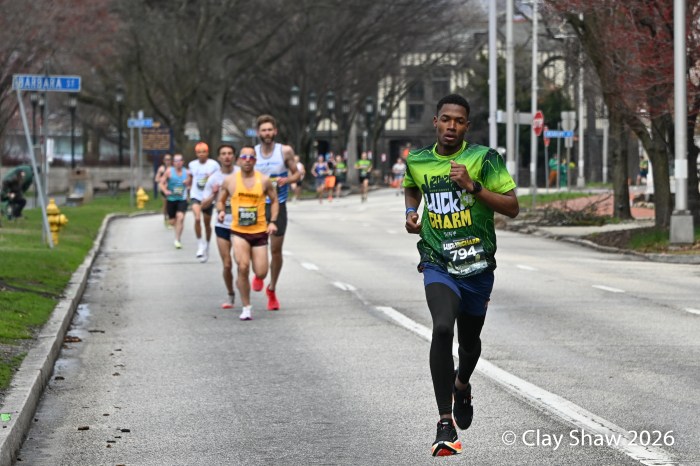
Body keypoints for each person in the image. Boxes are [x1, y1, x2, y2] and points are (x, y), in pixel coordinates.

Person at [403, 94, 519, 457]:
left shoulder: (485, 159)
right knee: (442, 327)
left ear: (467, 126)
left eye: (459, 121)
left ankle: (462, 384)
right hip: (437, 260)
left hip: (477, 266)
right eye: (446, 119)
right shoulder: (418, 160)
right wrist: (410, 212)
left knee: (469, 343)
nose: (451, 126)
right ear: (435, 121)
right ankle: (444, 424)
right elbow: (411, 184)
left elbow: (513, 207)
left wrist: (473, 186)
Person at [216, 145, 279, 321]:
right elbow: (220, 200)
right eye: (244, 157)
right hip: (239, 231)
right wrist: (221, 211)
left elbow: (274, 200)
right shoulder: (230, 181)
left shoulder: (264, 180)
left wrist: (273, 221)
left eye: (251, 157)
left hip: (259, 231)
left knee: (261, 272)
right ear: (239, 160)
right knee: (242, 266)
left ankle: (257, 279)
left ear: (255, 161)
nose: (247, 160)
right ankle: (246, 308)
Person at [253, 114, 301, 311]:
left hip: (278, 204)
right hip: (256, 206)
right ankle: (259, 273)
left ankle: (272, 288)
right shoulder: (253, 153)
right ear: (258, 133)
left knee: (275, 249)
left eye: (269, 130)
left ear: (275, 132)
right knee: (256, 245)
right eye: (263, 130)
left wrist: (287, 180)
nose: (267, 133)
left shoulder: (285, 151)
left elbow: (297, 173)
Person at [203, 144, 238, 309]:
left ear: (234, 156)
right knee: (227, 264)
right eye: (223, 154)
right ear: (219, 158)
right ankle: (230, 294)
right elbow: (203, 204)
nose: (227, 156)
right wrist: (214, 194)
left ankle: (242, 281)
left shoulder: (242, 174)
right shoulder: (213, 178)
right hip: (222, 224)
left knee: (242, 263)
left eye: (230, 153)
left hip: (241, 224)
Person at [187, 142, 221, 262]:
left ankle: (207, 244)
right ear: (196, 153)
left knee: (207, 224)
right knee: (197, 219)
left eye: (204, 152)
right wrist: (187, 187)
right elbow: (190, 178)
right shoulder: (192, 164)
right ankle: (200, 244)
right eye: (199, 152)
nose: (201, 154)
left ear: (207, 152)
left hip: (207, 197)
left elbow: (219, 178)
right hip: (196, 195)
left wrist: (212, 180)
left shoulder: (214, 164)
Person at [159, 154, 189, 249]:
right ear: (173, 163)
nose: (178, 162)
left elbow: (191, 184)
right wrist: (165, 191)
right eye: (176, 161)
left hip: (182, 199)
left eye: (180, 160)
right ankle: (177, 228)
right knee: (172, 222)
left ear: (183, 162)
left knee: (180, 217)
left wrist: (188, 184)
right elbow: (161, 183)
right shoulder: (169, 171)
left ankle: (177, 239)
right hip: (171, 199)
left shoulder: (187, 172)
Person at [154, 153, 173, 226]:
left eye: (169, 159)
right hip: (164, 189)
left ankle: (172, 218)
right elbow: (156, 179)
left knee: (172, 204)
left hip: (172, 189)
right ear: (164, 161)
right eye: (166, 160)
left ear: (171, 160)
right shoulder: (161, 169)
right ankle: (165, 218)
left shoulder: (173, 168)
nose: (167, 161)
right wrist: (162, 180)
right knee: (166, 204)